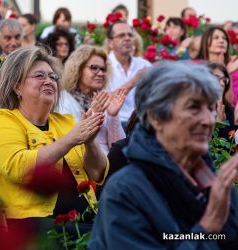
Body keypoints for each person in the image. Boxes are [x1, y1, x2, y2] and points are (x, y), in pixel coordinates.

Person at [88, 62, 238, 249]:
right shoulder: (124, 191)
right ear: (156, 117)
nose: (208, 120)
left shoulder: (210, 179)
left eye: (210, 108)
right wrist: (206, 228)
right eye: (193, 108)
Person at [0, 46, 108, 229]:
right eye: (39, 76)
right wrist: (71, 139)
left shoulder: (66, 122)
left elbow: (98, 173)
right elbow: (20, 167)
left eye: (52, 77)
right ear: (17, 87)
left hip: (83, 220)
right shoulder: (1, 121)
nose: (49, 81)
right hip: (27, 224)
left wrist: (90, 142)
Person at [57, 45, 126, 154]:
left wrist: (113, 116)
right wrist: (94, 114)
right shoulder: (63, 100)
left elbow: (118, 147)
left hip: (108, 163)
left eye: (103, 69)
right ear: (78, 69)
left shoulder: (103, 100)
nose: (100, 73)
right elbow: (72, 143)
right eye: (94, 68)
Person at [106, 21, 151, 128]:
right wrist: (133, 82)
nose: (127, 38)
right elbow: (103, 101)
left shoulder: (144, 65)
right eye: (121, 35)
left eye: (130, 35)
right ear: (110, 43)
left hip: (142, 123)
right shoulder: (102, 66)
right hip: (113, 124)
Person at [196, 26, 238, 105]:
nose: (221, 41)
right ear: (205, 42)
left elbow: (230, 103)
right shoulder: (196, 67)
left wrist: (227, 73)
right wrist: (226, 72)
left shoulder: (234, 66)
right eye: (216, 38)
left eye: (224, 38)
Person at [207, 62, 238, 140]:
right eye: (216, 78)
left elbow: (230, 147)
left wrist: (236, 124)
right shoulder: (197, 111)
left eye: (224, 80)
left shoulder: (229, 110)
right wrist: (218, 125)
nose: (222, 83)